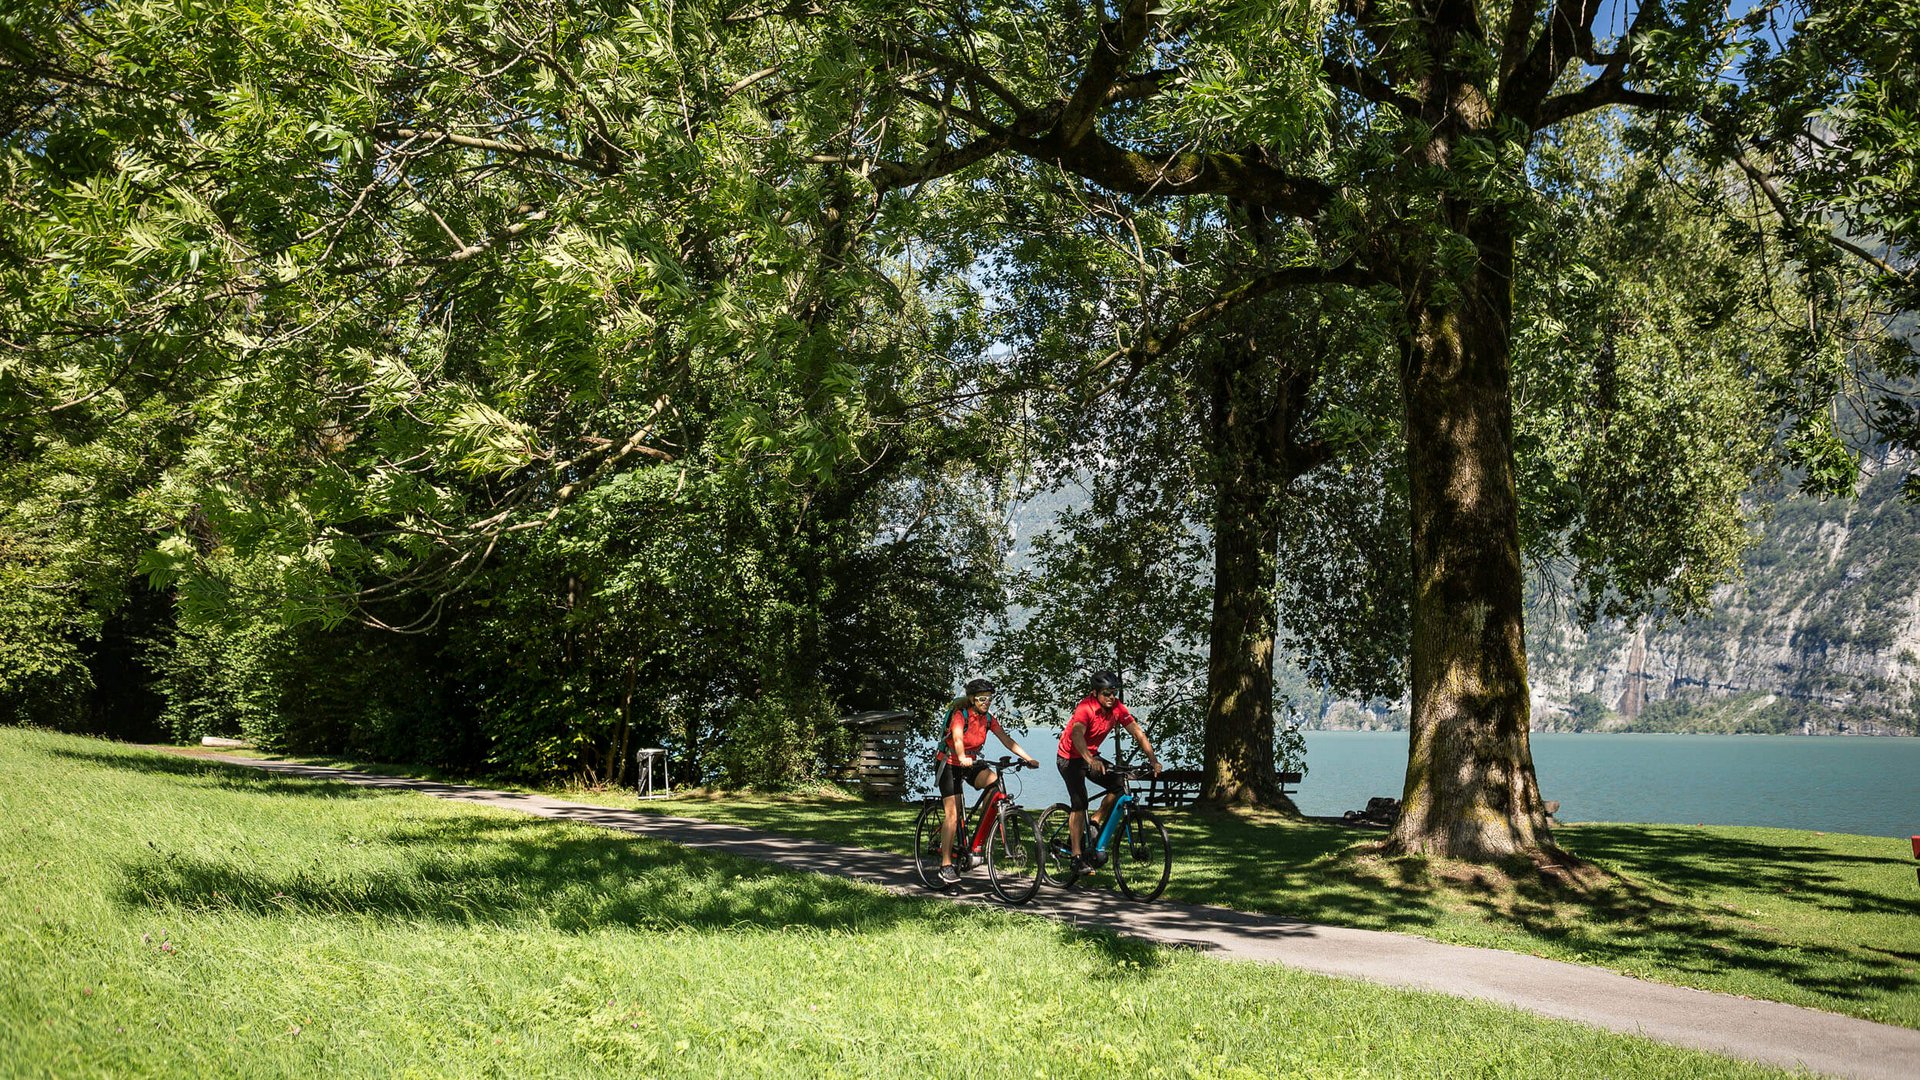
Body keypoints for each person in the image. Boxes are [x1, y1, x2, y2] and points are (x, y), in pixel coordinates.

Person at [932, 678, 1039, 886]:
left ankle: (981, 835)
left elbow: (1006, 739)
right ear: (972, 699)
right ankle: (946, 864)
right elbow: (957, 739)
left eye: (989, 699)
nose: (986, 702)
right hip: (950, 763)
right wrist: (961, 756)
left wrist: (1028, 758)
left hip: (970, 762)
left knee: (994, 783)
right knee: (952, 814)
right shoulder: (960, 715)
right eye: (982, 699)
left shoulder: (988, 719)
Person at [1057, 670, 1161, 874]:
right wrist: (1090, 760)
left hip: (1091, 756)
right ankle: (1076, 857)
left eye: (1114, 692)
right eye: (1106, 693)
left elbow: (1138, 733)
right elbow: (1077, 735)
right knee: (1080, 802)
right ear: (1095, 693)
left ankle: (1095, 821)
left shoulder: (1117, 708)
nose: (1111, 697)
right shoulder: (1085, 708)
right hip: (1069, 758)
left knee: (1119, 785)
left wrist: (1153, 760)